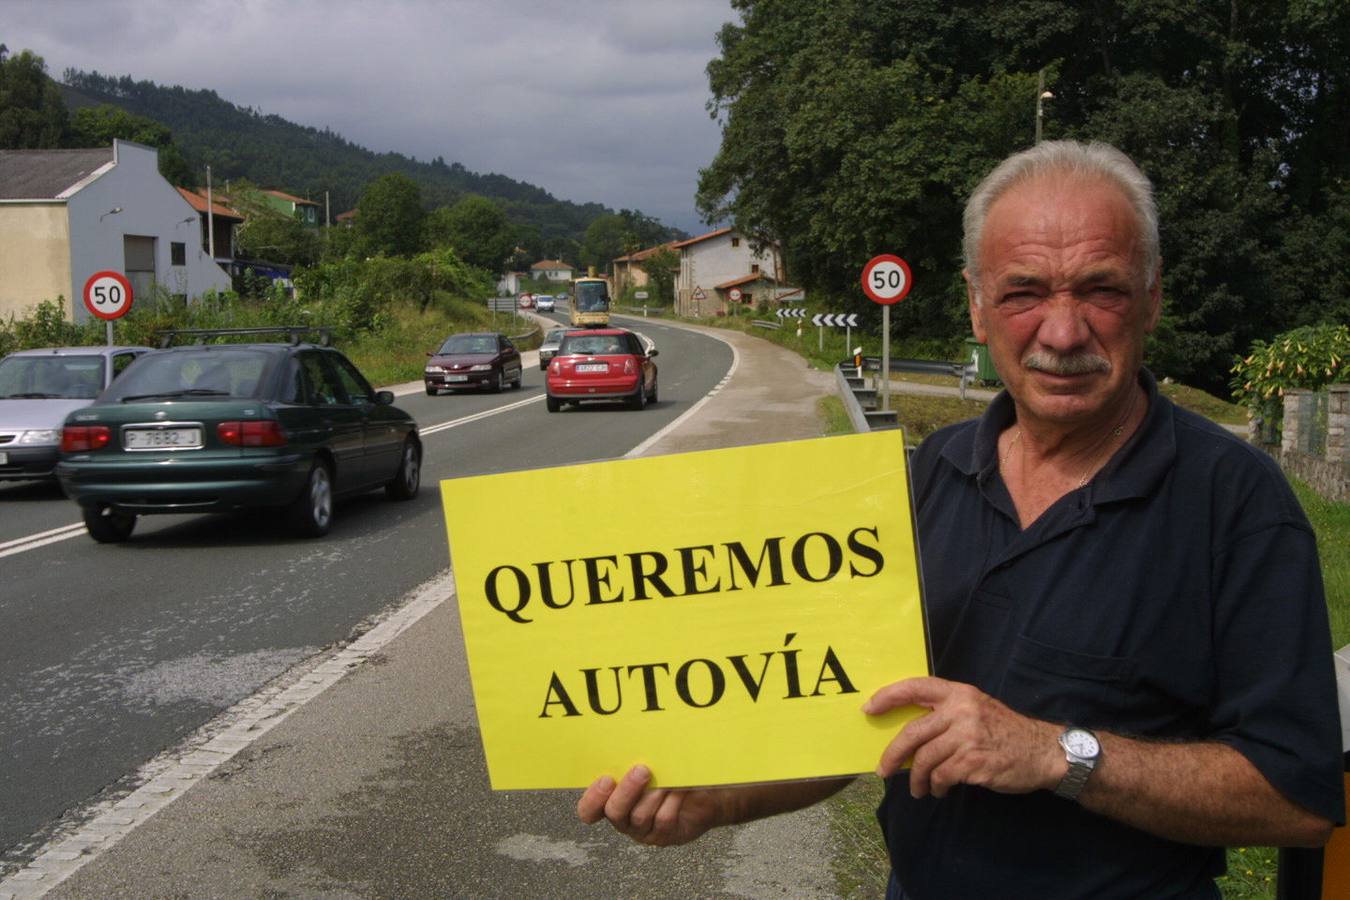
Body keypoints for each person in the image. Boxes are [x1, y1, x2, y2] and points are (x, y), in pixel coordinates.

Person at [576, 140, 1345, 898]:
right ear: (978, 309)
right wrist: (724, 802)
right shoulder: (931, 473)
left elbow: (1298, 796)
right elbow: (858, 720)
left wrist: (1059, 756)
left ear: (1152, 298)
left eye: (1101, 289)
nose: (1063, 330)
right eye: (1024, 293)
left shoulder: (1236, 502)